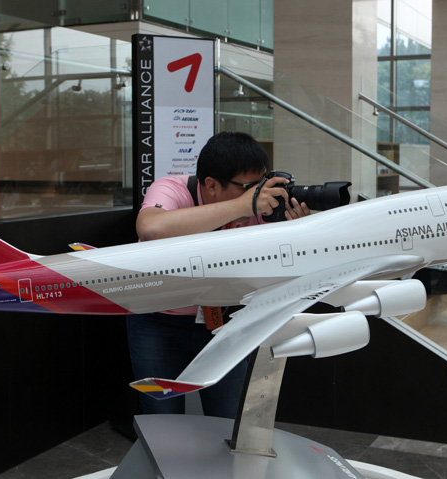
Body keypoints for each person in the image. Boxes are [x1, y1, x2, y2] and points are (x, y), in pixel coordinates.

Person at [127, 131, 310, 418]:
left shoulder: (261, 207)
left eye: (260, 185)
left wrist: (299, 233)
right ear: (211, 185)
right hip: (157, 322)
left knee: (229, 418)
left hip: (224, 323)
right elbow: (151, 229)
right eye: (247, 187)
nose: (257, 194)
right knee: (162, 418)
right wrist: (243, 205)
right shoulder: (172, 189)